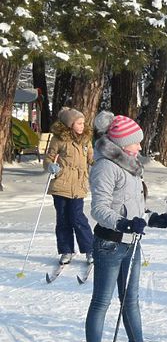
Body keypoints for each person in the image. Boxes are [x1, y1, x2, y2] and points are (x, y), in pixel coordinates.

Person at [84, 112, 167, 342]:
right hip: (109, 244)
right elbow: (99, 209)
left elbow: (135, 210)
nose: (139, 147)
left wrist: (154, 219)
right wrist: (123, 224)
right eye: (136, 143)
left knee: (131, 301)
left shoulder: (132, 168)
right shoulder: (105, 167)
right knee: (101, 302)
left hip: (131, 244)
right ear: (123, 144)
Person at [45, 107, 94, 265]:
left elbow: (92, 159)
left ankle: (90, 250)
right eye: (78, 123)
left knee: (77, 218)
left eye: (83, 123)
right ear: (69, 124)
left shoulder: (86, 140)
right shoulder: (58, 139)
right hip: (61, 184)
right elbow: (48, 158)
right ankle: (66, 250)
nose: (82, 126)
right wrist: (50, 166)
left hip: (78, 186)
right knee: (63, 219)